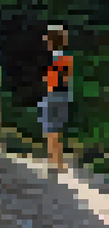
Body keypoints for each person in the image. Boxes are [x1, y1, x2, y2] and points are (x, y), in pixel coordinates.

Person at [40, 24, 74, 176]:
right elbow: (67, 78)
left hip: (52, 93)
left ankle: (53, 162)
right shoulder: (67, 57)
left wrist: (47, 79)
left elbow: (50, 79)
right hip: (64, 94)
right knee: (58, 129)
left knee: (50, 129)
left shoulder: (52, 58)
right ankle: (59, 162)